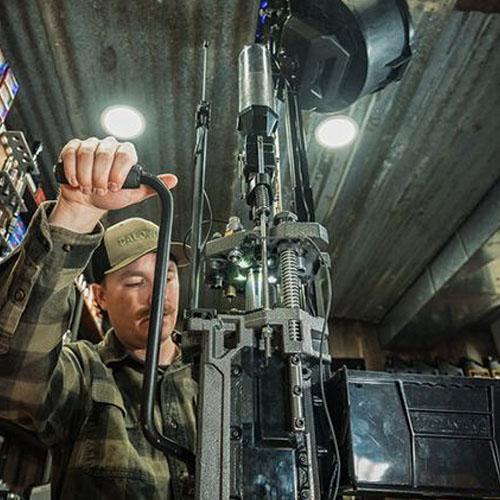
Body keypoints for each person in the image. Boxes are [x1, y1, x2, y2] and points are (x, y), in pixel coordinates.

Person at [0, 136, 197, 499]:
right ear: (100, 297)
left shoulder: (210, 374)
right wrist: (75, 215)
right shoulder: (84, 373)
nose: (157, 296)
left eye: (167, 277)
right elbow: (13, 382)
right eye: (135, 282)